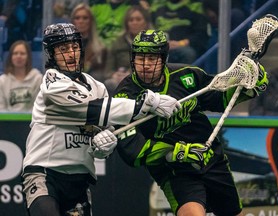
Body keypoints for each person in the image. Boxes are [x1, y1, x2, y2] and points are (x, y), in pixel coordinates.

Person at [21, 23, 180, 216]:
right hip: (45, 173)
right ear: (51, 54)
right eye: (63, 49)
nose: (71, 54)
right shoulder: (52, 83)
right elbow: (92, 110)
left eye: (74, 47)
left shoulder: (97, 87)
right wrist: (143, 105)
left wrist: (104, 145)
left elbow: (101, 138)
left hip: (80, 179)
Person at [106, 30, 268, 215]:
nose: (146, 65)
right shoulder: (124, 95)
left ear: (164, 58)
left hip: (209, 158)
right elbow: (133, 152)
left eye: (152, 58)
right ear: (132, 59)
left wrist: (247, 90)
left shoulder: (187, 75)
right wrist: (177, 153)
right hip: (174, 170)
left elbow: (220, 99)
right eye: (140, 58)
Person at [104, 5, 152, 93]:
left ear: (146, 22)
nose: (134, 23)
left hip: (144, 79)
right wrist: (114, 75)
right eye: (131, 20)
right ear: (127, 23)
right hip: (119, 80)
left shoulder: (153, 42)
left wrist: (130, 75)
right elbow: (108, 69)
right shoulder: (117, 42)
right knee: (109, 83)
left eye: (138, 19)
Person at [0, 40, 42, 112]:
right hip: (7, 121)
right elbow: (1, 107)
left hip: (32, 121)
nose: (18, 56)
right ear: (11, 57)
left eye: (22, 53)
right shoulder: (2, 80)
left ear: (28, 57)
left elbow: (39, 106)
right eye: (15, 53)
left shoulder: (37, 78)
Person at [71, 3, 108, 82]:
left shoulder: (100, 48)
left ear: (91, 21)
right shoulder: (63, 48)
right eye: (77, 18)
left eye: (85, 18)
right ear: (72, 21)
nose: (81, 21)